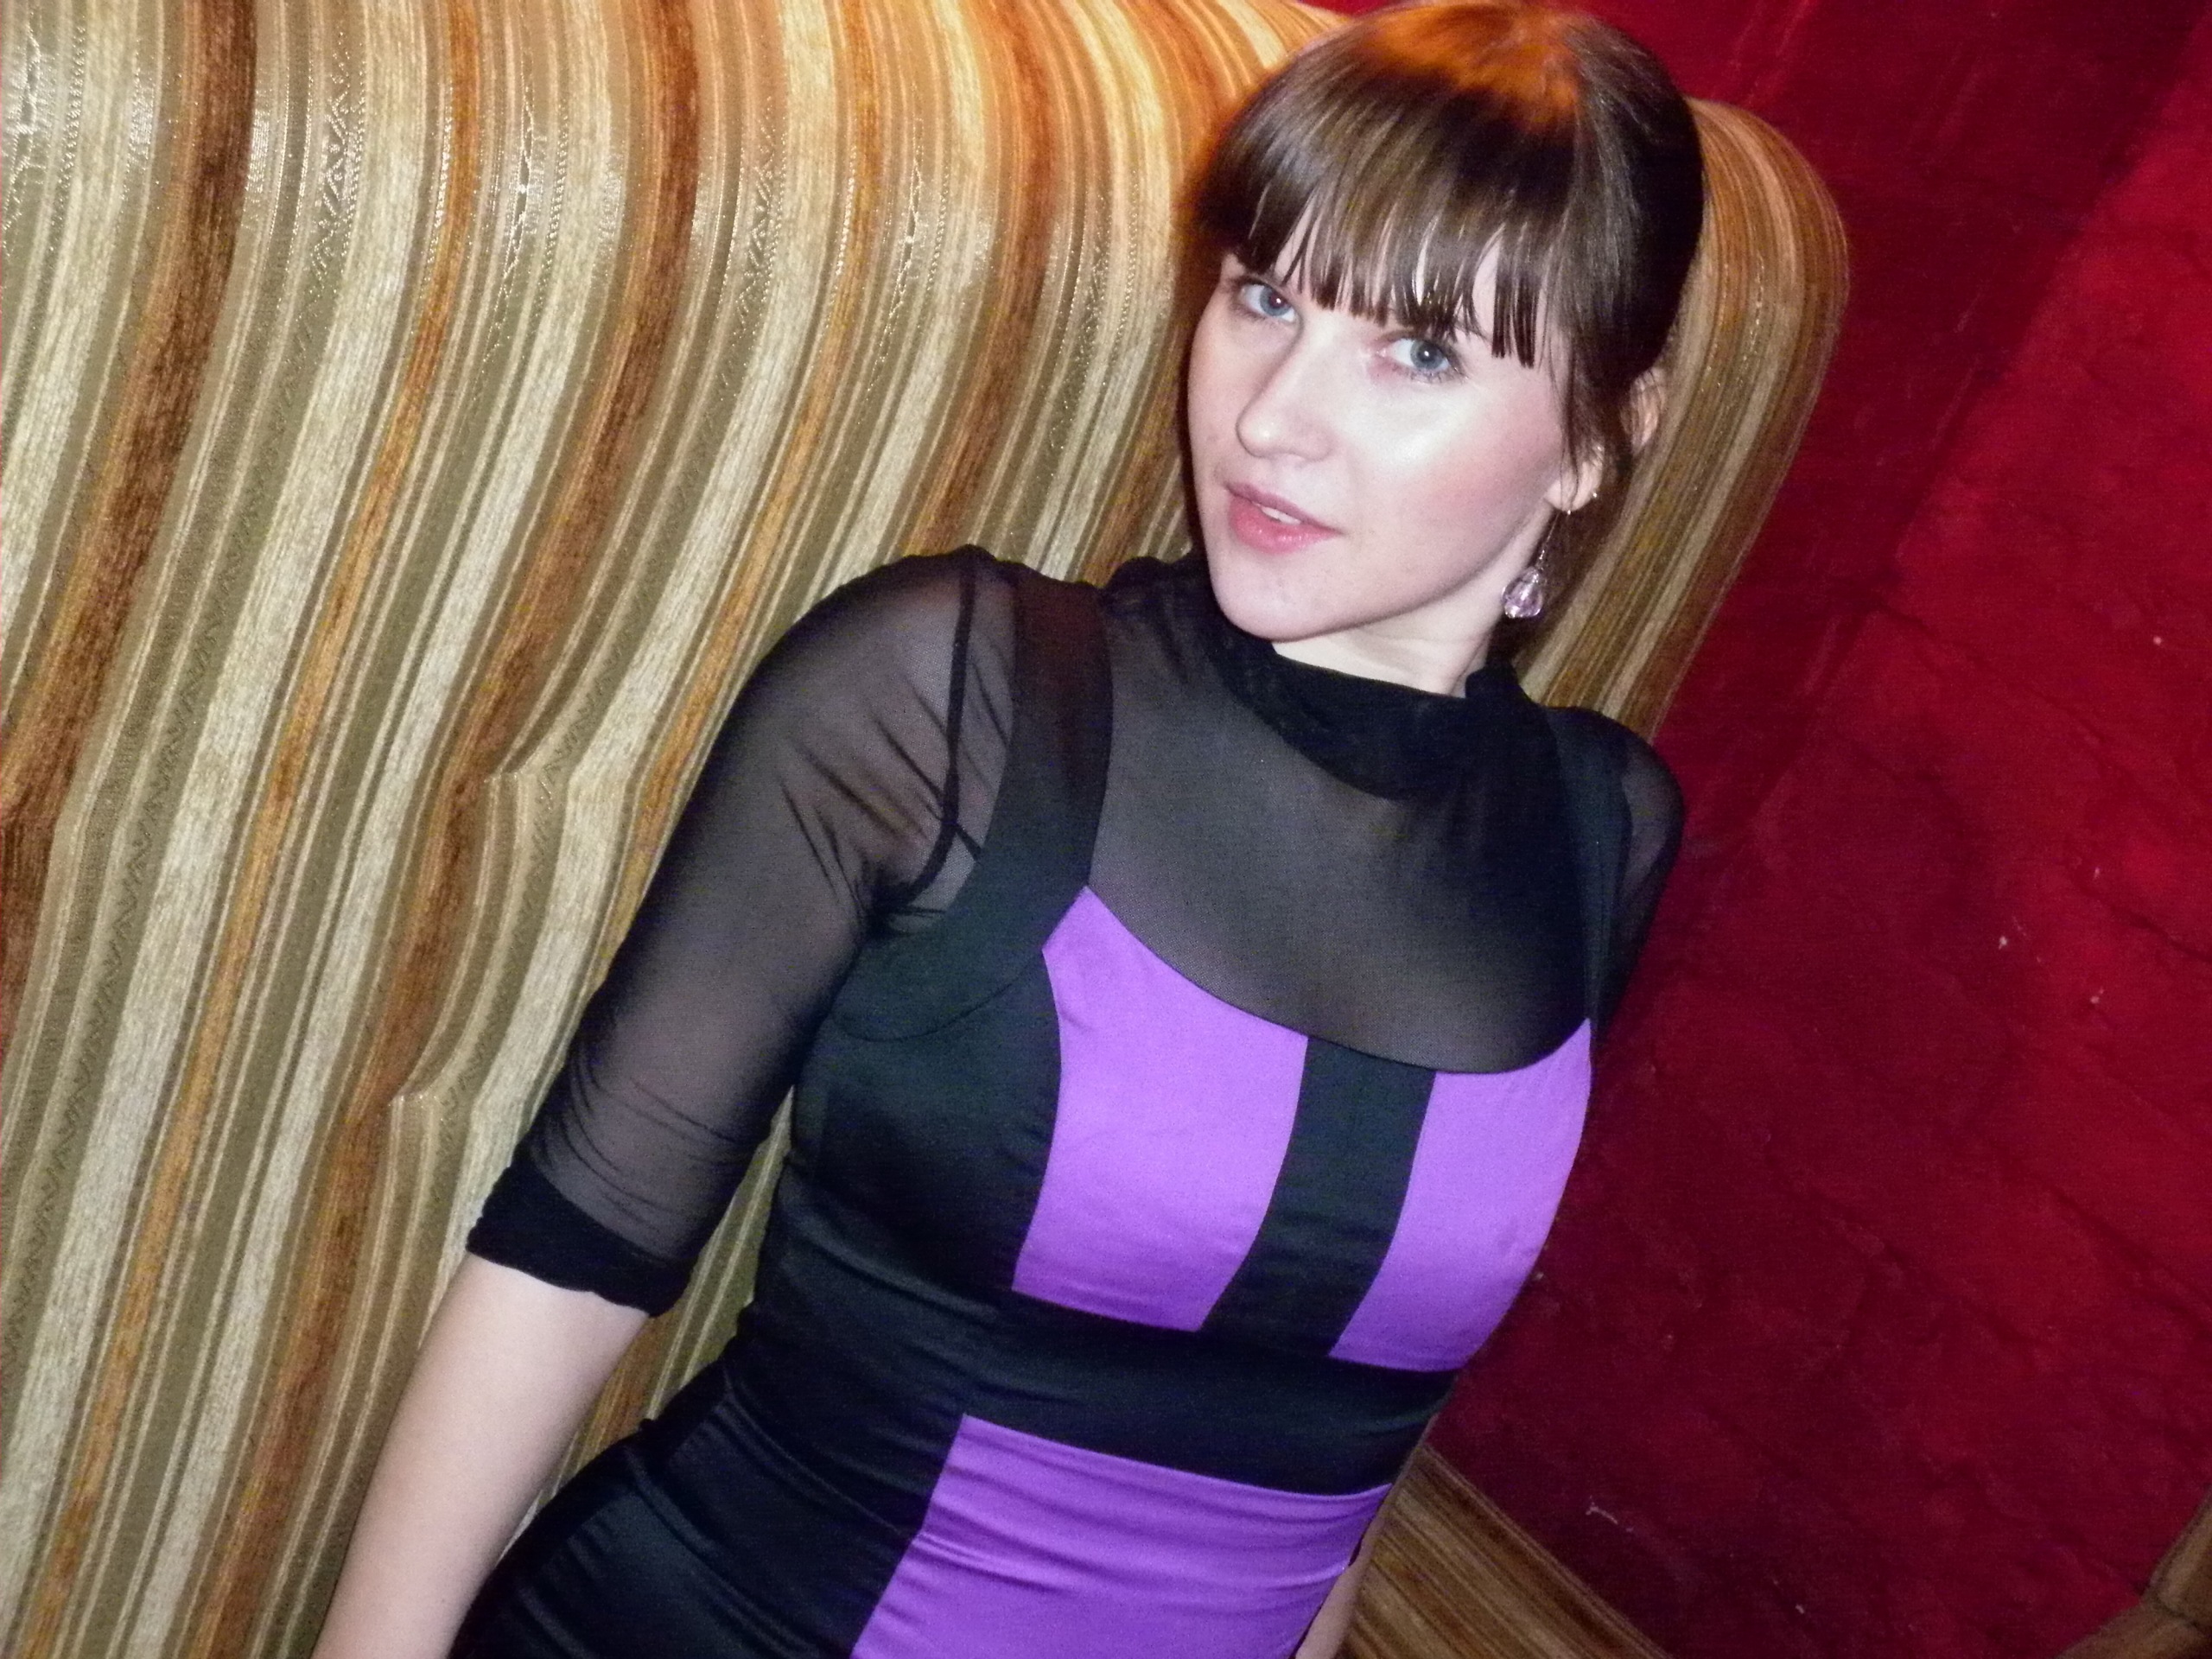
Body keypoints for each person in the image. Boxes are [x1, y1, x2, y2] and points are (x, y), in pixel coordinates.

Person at [311, 4, 1703, 1656]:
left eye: (1417, 353)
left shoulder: (1601, 833)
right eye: (1265, 297)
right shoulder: (953, 701)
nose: (1271, 417)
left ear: (1600, 436)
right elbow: (573, 1251)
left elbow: (1341, 1452)